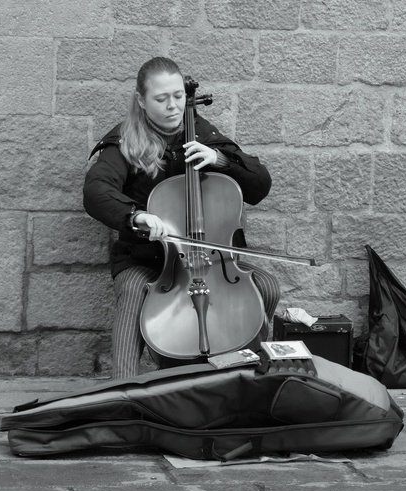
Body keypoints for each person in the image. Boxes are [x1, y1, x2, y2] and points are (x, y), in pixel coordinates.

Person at [83, 56, 279, 379]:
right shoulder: (125, 141)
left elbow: (260, 184)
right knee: (133, 290)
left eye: (178, 96)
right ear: (141, 101)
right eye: (161, 99)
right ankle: (123, 391)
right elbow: (96, 190)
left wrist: (221, 160)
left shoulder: (202, 133)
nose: (173, 106)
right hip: (148, 260)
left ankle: (243, 376)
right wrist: (137, 216)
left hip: (215, 261)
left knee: (267, 288)